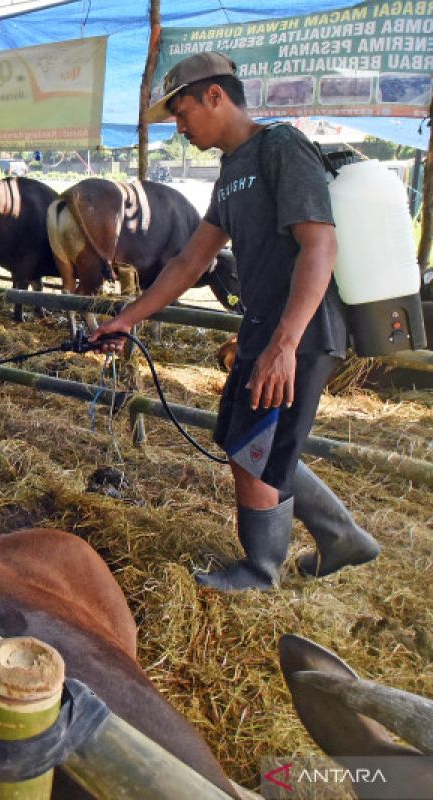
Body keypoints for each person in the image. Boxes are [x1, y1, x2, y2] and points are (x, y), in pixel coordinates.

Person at [92, 52, 380, 592]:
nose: (179, 127)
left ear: (215, 96)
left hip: (303, 330)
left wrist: (285, 344)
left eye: (181, 112)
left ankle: (259, 571)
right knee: (241, 437)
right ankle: (343, 538)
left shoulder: (281, 148)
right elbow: (189, 262)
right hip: (264, 328)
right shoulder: (231, 172)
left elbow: (320, 244)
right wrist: (127, 318)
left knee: (254, 447)